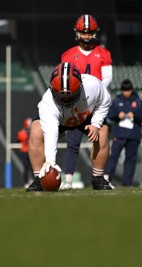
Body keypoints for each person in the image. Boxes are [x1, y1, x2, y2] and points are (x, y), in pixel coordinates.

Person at [26, 62, 112, 192]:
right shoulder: (48, 103)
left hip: (85, 115)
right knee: (36, 130)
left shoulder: (93, 85)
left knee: (103, 132)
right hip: (61, 120)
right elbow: (51, 131)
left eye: (70, 96)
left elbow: (105, 101)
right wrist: (50, 160)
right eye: (62, 97)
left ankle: (98, 177)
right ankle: (39, 178)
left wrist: (96, 124)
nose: (66, 100)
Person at [60, 14, 113, 190]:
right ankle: (68, 179)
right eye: (84, 33)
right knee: (72, 142)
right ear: (77, 33)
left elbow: (107, 79)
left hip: (96, 105)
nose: (87, 36)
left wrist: (92, 95)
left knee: (101, 137)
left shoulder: (103, 54)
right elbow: (64, 79)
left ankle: (100, 177)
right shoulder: (68, 55)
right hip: (76, 105)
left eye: (90, 33)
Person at [103, 79, 142, 186]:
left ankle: (127, 183)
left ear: (131, 90)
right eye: (124, 90)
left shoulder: (138, 102)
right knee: (113, 157)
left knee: (130, 159)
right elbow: (109, 115)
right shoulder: (117, 101)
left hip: (133, 135)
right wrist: (118, 115)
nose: (126, 92)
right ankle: (107, 180)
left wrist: (135, 115)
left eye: (128, 90)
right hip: (119, 134)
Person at [17, 117, 33, 188]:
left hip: (32, 151)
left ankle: (32, 180)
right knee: (26, 167)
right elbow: (19, 139)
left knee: (33, 168)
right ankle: (26, 182)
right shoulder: (22, 133)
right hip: (25, 152)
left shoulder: (33, 132)